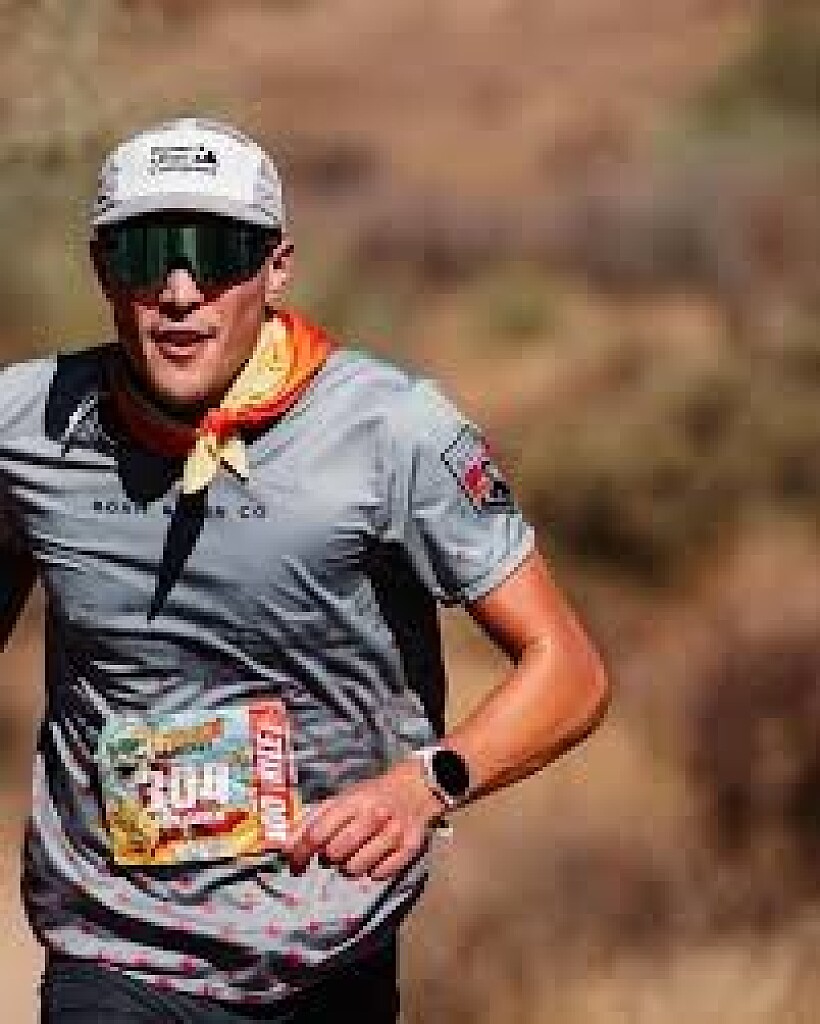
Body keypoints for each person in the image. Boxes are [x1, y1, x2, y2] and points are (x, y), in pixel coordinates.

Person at [0, 117, 610, 1023]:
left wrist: (426, 783)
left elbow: (571, 672)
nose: (180, 291)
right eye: (147, 253)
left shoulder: (393, 431)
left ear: (277, 266)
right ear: (102, 269)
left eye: (218, 254)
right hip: (114, 949)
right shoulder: (24, 427)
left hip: (326, 944)